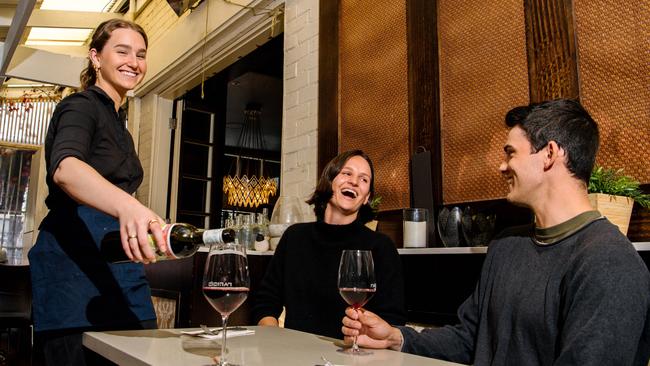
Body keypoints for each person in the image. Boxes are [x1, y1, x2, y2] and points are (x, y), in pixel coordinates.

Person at [341, 99, 650, 365]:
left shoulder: (610, 263)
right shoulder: (507, 245)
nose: (502, 167)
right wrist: (397, 338)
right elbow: (470, 338)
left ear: (550, 154)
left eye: (510, 153)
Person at [28, 19, 167, 366]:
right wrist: (130, 208)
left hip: (121, 269)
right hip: (73, 269)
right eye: (121, 51)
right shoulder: (80, 106)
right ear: (96, 57)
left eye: (140, 54)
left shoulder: (120, 123)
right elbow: (66, 169)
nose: (133, 62)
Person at [253, 150, 407, 338]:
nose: (354, 181)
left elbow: (393, 321)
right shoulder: (294, 238)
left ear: (366, 197)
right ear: (329, 180)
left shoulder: (381, 247)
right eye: (347, 173)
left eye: (364, 179)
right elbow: (266, 302)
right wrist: (276, 340)